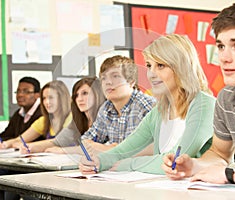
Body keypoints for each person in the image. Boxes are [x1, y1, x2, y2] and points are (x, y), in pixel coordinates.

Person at [162, 2, 235, 189]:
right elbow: (220, 153)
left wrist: (230, 174)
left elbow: (227, 170)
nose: (224, 57)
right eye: (221, 46)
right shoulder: (227, 99)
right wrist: (193, 165)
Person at [79, 34, 216, 175]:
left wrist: (130, 164)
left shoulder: (204, 105)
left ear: (181, 68)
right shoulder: (159, 111)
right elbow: (123, 150)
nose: (151, 74)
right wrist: (98, 161)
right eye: (149, 66)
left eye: (160, 66)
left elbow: (177, 161)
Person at [19, 77, 106, 153]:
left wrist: (64, 151)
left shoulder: (108, 120)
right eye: (76, 95)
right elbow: (57, 142)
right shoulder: (76, 122)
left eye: (85, 93)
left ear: (97, 95)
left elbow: (98, 149)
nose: (79, 99)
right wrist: (30, 148)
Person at [0, 80, 72, 149]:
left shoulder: (71, 117)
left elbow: (59, 141)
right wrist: (5, 144)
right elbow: (20, 139)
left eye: (51, 97)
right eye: (44, 98)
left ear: (62, 98)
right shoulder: (44, 120)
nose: (47, 102)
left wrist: (30, 146)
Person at [0, 77, 42, 149]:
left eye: (26, 91)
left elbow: (24, 139)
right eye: (18, 91)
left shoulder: (42, 114)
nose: (20, 95)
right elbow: (6, 135)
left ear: (37, 95)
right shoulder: (18, 114)